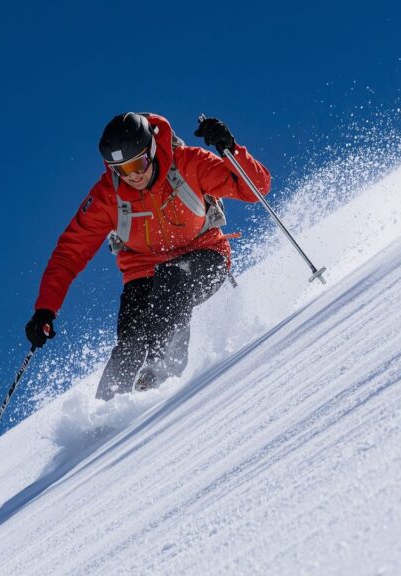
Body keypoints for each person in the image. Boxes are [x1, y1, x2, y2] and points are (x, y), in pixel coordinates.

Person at [25, 112, 271, 400]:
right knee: (130, 342)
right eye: (122, 169)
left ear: (152, 150)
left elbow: (256, 189)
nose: (133, 175)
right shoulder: (108, 196)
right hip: (143, 272)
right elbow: (69, 252)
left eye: (136, 163)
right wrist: (46, 308)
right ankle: (104, 415)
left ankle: (160, 375)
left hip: (205, 255)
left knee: (173, 278)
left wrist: (230, 148)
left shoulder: (189, 163)